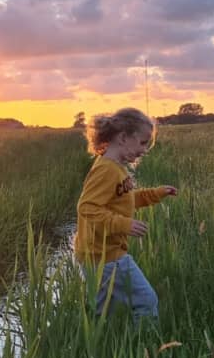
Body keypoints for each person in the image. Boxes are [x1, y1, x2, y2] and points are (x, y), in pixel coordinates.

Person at [74, 108, 177, 320]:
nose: (145, 150)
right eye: (142, 143)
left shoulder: (116, 167)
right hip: (106, 256)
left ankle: (99, 347)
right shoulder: (107, 170)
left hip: (97, 254)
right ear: (123, 137)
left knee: (104, 313)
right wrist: (123, 224)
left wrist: (155, 194)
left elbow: (124, 200)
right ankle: (146, 349)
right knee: (147, 301)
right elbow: (87, 208)